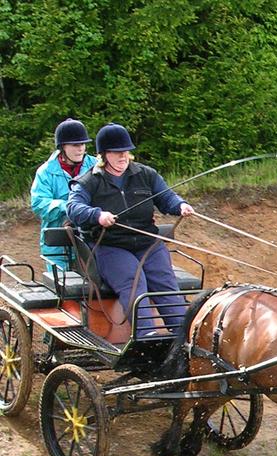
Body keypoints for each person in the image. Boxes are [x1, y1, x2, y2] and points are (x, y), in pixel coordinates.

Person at [67, 123, 195, 335]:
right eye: (117, 153)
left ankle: (182, 336)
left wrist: (180, 205)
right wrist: (97, 215)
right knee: (133, 281)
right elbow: (74, 208)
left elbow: (166, 197)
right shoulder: (89, 181)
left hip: (147, 244)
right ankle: (145, 337)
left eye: (126, 152)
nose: (123, 157)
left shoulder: (146, 175)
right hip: (110, 246)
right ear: (103, 155)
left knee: (165, 283)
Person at [30, 119, 98, 269]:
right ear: (62, 147)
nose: (80, 148)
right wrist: (70, 207)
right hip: (58, 245)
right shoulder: (46, 172)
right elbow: (39, 204)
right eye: (75, 145)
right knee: (62, 288)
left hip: (92, 240)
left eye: (83, 144)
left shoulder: (96, 167)